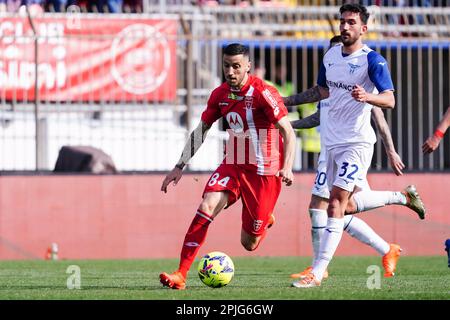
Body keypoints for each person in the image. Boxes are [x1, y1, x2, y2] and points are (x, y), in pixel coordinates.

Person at [283, 3, 419, 288]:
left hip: (356, 143)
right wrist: (284, 103)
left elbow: (390, 100)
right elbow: (321, 91)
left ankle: (317, 273)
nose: (345, 27)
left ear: (363, 28)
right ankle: (400, 202)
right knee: (343, 207)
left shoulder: (374, 61)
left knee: (333, 204)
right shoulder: (331, 55)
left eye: (351, 23)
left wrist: (367, 97)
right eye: (342, 22)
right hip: (331, 144)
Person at [159, 43, 296, 290]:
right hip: (233, 163)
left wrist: (287, 167)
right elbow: (201, 131)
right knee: (206, 206)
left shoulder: (264, 93)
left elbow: (288, 131)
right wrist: (179, 165)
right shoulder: (220, 94)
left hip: (263, 172)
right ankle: (181, 273)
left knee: (249, 243)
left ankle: (263, 219)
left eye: (236, 66)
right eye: (226, 66)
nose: (230, 72)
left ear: (248, 66)